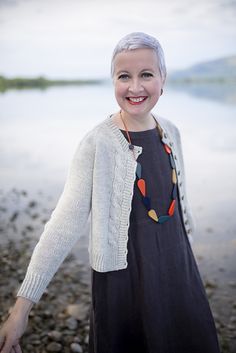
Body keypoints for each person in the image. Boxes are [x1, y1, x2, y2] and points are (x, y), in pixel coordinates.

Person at [0, 32, 220, 353]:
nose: (135, 87)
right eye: (123, 76)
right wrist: (22, 308)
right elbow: (64, 224)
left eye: (146, 74)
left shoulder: (170, 132)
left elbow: (176, 208)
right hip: (124, 281)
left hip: (177, 269)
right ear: (113, 80)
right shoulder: (98, 143)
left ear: (163, 78)